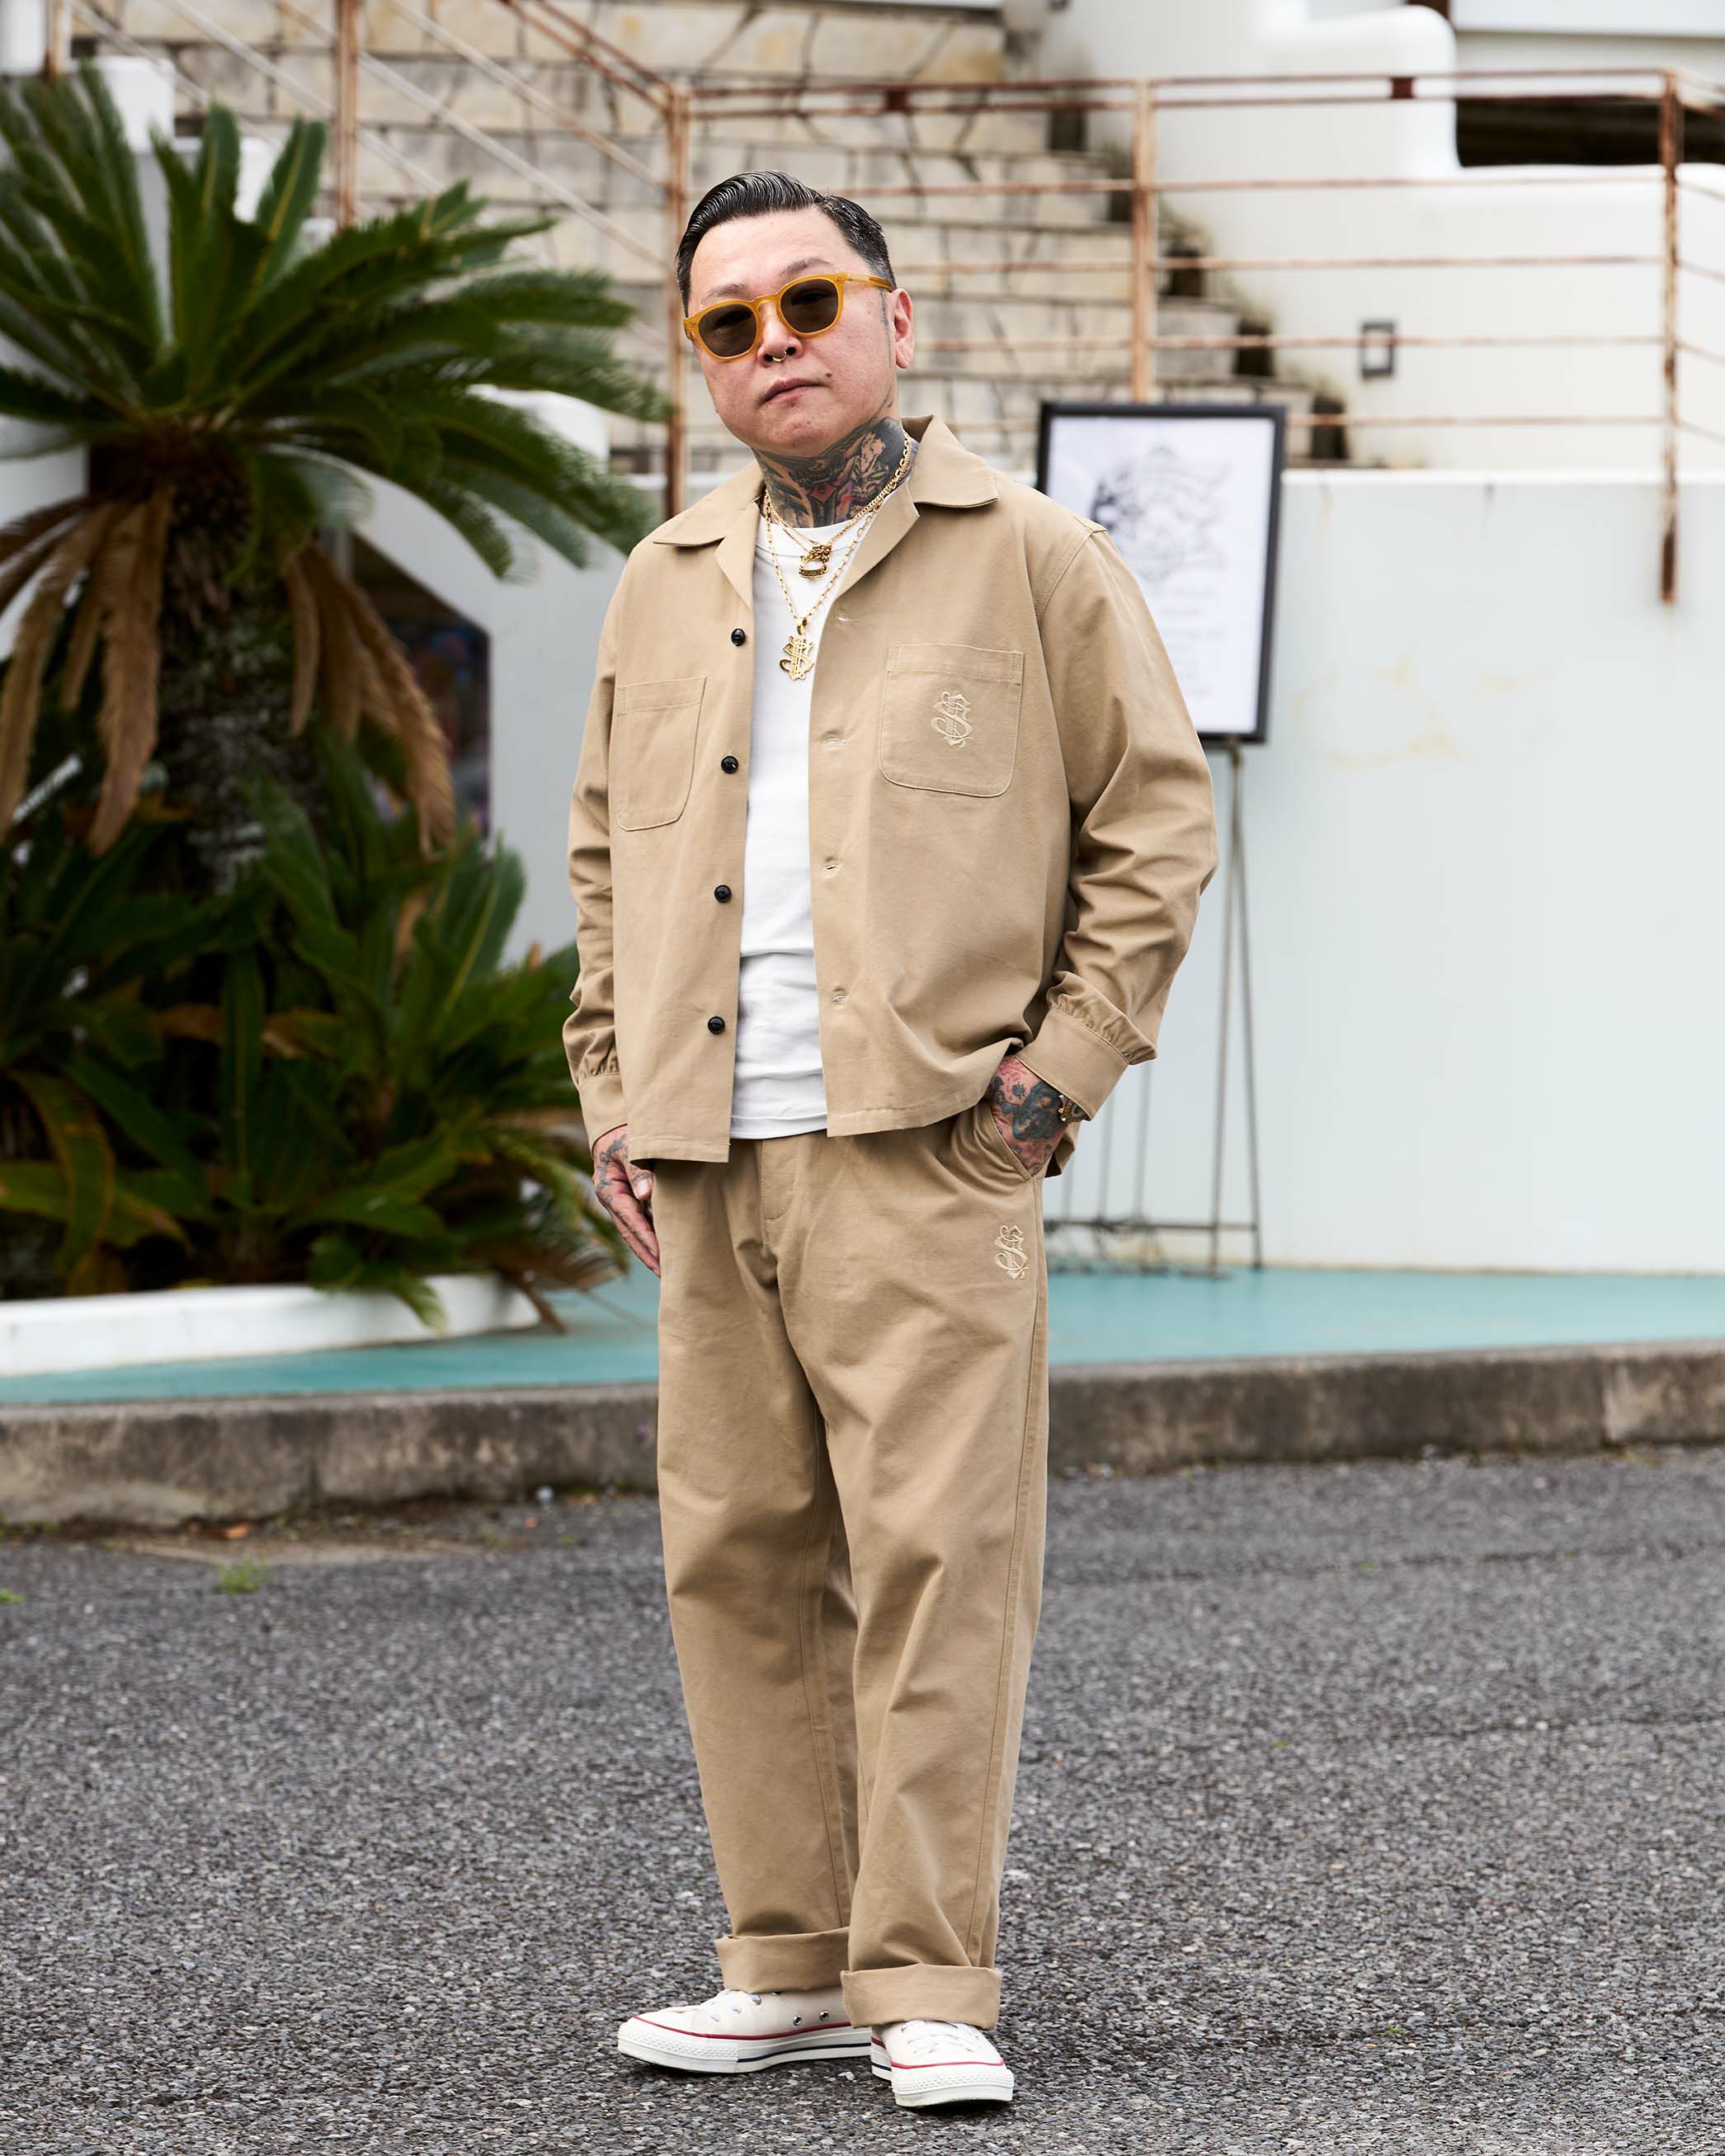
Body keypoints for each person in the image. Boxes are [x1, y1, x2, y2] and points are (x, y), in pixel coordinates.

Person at [563, 168, 1218, 2112]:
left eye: (809, 300)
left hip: (927, 1146)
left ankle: (926, 1971)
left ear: (892, 315)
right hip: (709, 1152)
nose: (774, 344)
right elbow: (602, 855)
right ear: (699, 360)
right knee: (738, 1560)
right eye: (729, 322)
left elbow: (1152, 825)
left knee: (940, 1561)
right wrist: (611, 1091)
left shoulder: (1033, 557)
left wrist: (1051, 1082)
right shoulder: (665, 575)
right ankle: (784, 1957)